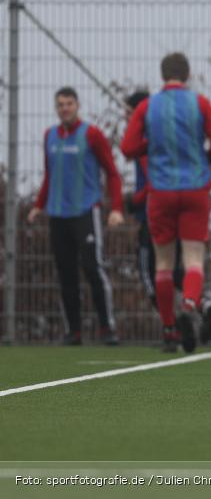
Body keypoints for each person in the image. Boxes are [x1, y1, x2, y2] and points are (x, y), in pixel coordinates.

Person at [121, 53, 211, 353]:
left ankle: (170, 328)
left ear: (162, 75)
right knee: (193, 259)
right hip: (195, 189)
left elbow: (128, 147)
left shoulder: (147, 106)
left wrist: (153, 146)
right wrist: (202, 159)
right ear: (188, 74)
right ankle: (190, 304)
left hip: (161, 191)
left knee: (163, 264)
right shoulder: (200, 103)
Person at [27, 87, 124, 345]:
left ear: (77, 105)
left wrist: (116, 208)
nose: (65, 109)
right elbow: (49, 174)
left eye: (69, 104)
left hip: (85, 212)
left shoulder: (92, 135)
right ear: (56, 108)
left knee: (92, 267)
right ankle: (74, 331)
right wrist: (39, 205)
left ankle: (107, 328)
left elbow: (112, 173)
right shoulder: (49, 136)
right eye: (60, 105)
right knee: (65, 272)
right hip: (58, 214)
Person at [123, 91, 209, 352]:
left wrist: (134, 200)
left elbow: (150, 177)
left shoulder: (150, 142)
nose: (127, 117)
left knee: (155, 270)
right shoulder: (173, 133)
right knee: (186, 265)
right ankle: (197, 304)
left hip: (157, 208)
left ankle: (171, 329)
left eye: (128, 113)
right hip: (188, 198)